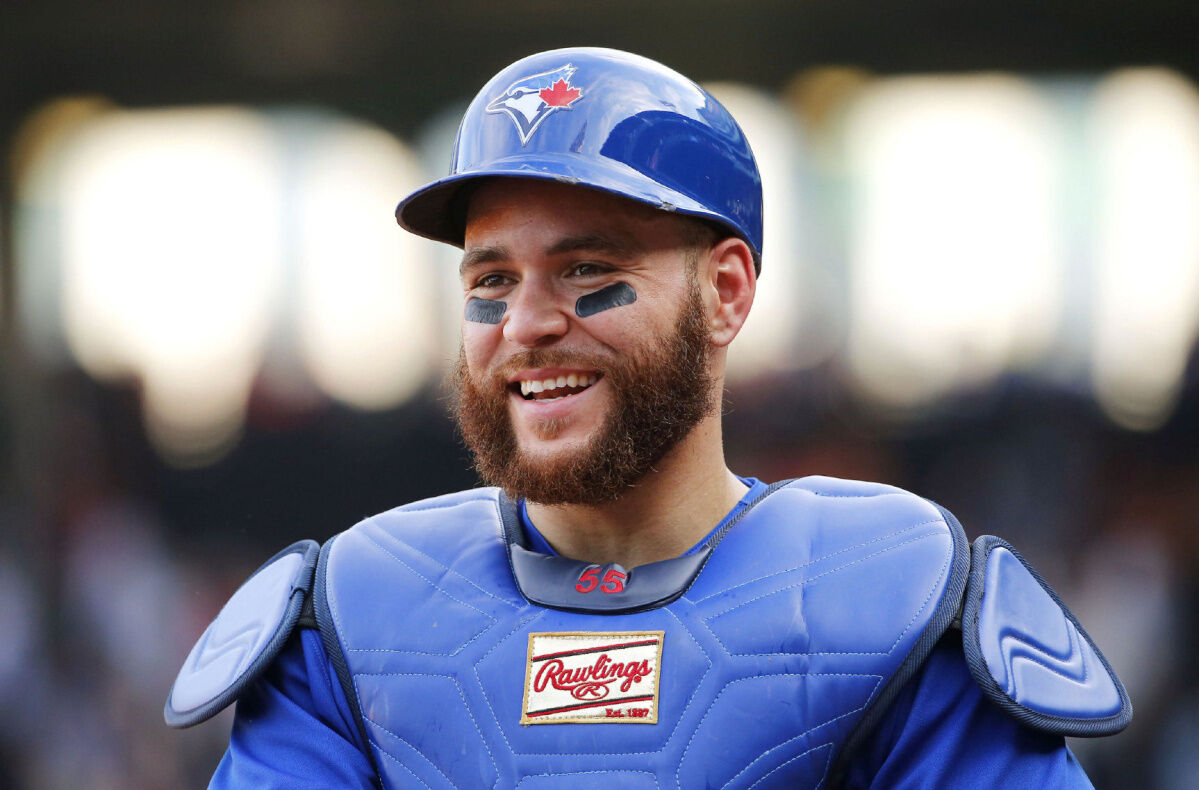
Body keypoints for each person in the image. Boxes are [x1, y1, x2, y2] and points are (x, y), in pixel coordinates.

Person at [165, 47, 1131, 788]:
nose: (529, 325)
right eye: (491, 281)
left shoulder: (902, 602)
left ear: (726, 292)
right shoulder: (349, 619)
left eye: (590, 271)